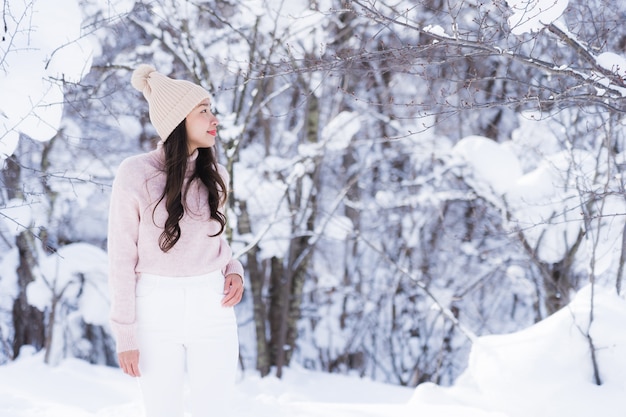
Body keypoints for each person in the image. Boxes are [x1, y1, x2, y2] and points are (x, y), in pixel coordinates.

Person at [107, 64, 244, 417]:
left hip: (213, 309)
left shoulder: (217, 177)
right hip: (155, 312)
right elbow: (121, 258)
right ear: (177, 120)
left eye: (210, 108)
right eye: (203, 111)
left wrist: (235, 270)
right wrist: (126, 335)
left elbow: (218, 243)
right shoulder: (134, 174)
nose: (214, 118)